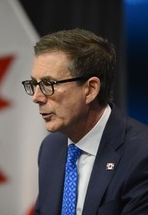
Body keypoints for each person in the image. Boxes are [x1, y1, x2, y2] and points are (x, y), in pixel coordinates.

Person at [21, 28, 148, 215]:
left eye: (48, 84)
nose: (37, 97)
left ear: (90, 89)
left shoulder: (141, 155)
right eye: (34, 84)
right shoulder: (50, 149)